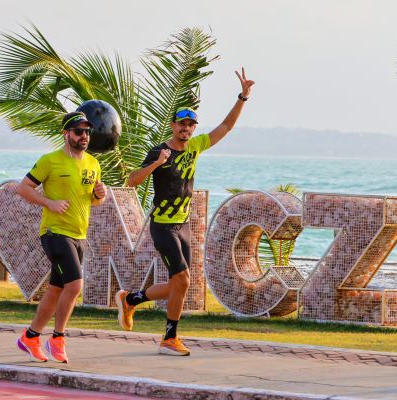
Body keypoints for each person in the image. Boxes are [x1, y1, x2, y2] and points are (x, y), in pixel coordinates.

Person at [117, 68, 255, 356]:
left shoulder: (194, 147)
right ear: (172, 125)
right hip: (163, 225)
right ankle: (169, 337)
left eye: (191, 125)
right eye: (182, 124)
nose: (186, 129)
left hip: (183, 225)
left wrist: (243, 97)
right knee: (183, 281)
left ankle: (131, 299)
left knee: (178, 284)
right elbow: (132, 181)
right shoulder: (158, 151)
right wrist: (157, 164)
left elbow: (225, 128)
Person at [15, 111, 106, 363]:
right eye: (78, 131)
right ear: (66, 134)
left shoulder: (93, 164)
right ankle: (57, 338)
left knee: (56, 290)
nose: (84, 136)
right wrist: (49, 202)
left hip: (79, 235)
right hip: (54, 232)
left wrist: (100, 193)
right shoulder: (50, 160)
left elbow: (95, 201)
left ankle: (30, 337)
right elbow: (23, 188)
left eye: (87, 131)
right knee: (75, 285)